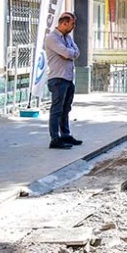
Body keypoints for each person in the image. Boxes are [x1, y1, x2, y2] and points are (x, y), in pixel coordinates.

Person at [45, 12, 81, 150]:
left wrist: (69, 54)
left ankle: (65, 135)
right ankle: (55, 138)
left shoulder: (68, 38)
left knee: (66, 109)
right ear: (64, 23)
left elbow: (76, 52)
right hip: (58, 78)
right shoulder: (52, 38)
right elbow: (66, 53)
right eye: (72, 24)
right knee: (57, 110)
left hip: (68, 77)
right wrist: (69, 54)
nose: (73, 27)